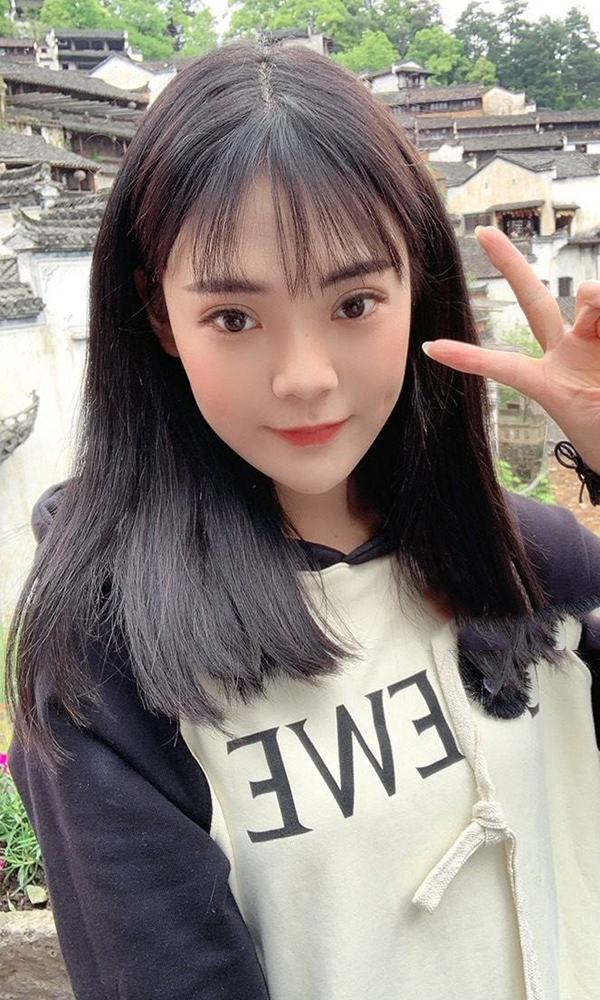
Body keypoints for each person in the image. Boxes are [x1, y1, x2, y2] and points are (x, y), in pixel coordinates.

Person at [4, 38, 600, 1000]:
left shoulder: (532, 563)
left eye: (355, 302)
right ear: (159, 316)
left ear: (416, 289)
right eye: (235, 318)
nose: (305, 377)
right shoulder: (112, 661)